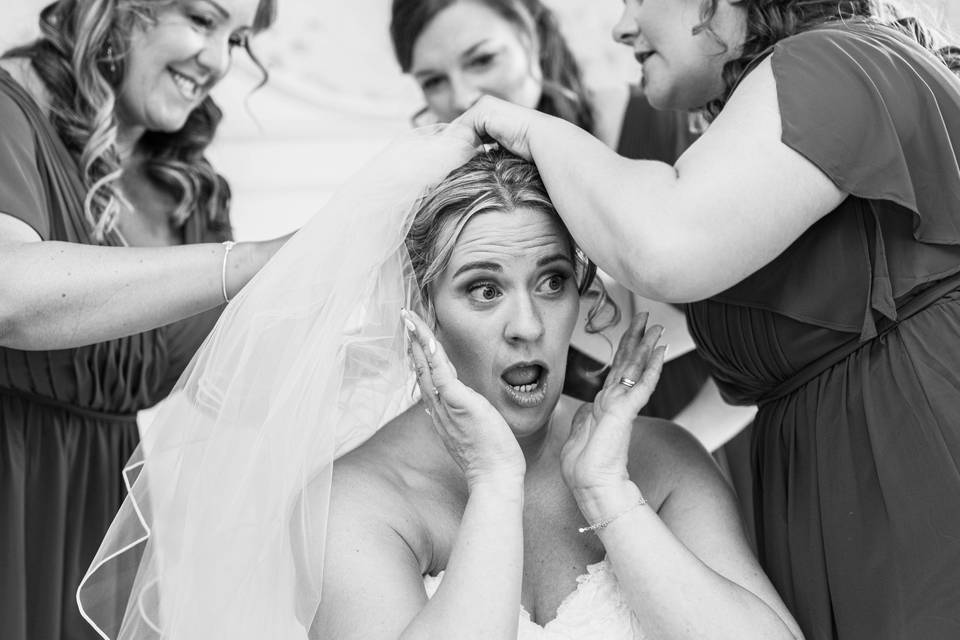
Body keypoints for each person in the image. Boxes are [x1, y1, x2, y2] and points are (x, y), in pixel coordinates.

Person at [77, 133, 803, 639]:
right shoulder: (352, 502)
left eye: (552, 281)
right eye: (483, 290)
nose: (528, 325)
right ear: (420, 312)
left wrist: (611, 495)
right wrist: (493, 484)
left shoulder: (661, 461)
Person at [456, 0, 960, 637]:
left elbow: (662, 249)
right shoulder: (775, 120)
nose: (622, 27)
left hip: (918, 481)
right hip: (836, 503)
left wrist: (526, 128)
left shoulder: (827, 60)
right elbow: (640, 323)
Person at [0, 1, 287, 638]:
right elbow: (7, 295)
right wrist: (250, 261)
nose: (218, 61)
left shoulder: (186, 190)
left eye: (237, 39)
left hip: (100, 524)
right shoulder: (6, 112)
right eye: (203, 19)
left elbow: (238, 388)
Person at [389, 0, 755, 455]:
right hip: (553, 457)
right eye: (433, 81)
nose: (463, 97)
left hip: (703, 437)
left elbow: (760, 322)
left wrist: (651, 459)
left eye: (482, 59)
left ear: (533, 39)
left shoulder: (664, 128)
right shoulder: (443, 199)